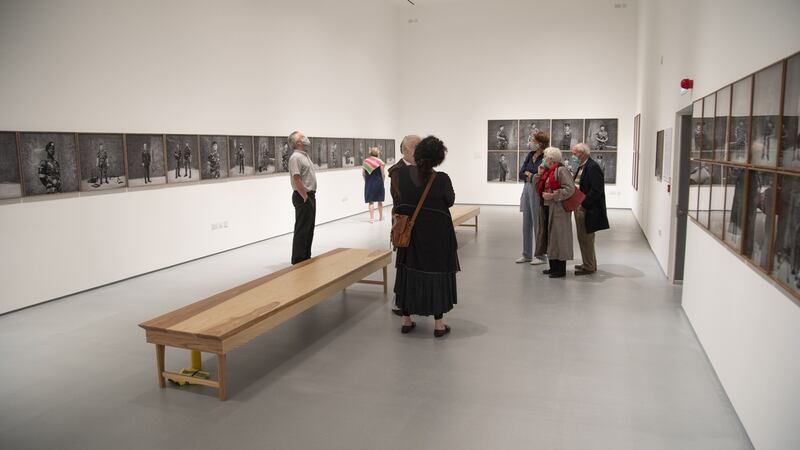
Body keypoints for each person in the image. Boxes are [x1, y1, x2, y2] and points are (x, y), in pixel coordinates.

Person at [394, 135, 459, 337]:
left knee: (408, 272)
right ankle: (438, 325)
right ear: (438, 158)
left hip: (410, 234)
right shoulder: (442, 178)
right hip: (436, 235)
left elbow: (400, 200)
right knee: (436, 274)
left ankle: (406, 320)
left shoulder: (403, 174)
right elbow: (450, 200)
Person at [388, 135, 421, 317]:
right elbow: (399, 197)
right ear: (406, 150)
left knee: (415, 261)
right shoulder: (397, 171)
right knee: (403, 262)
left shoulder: (420, 168)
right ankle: (399, 301)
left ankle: (413, 299)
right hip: (404, 223)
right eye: (417, 146)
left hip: (417, 222)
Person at [533, 147, 576, 278]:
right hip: (547, 208)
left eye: (545, 157)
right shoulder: (547, 171)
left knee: (559, 238)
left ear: (550, 159)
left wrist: (553, 195)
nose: (543, 159)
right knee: (550, 237)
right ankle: (553, 267)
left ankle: (560, 269)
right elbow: (537, 188)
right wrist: (539, 174)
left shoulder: (561, 170)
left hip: (558, 210)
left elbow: (570, 189)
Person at [571, 143, 610, 275]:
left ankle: (589, 266)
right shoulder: (582, 166)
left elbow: (597, 189)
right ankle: (589, 263)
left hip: (587, 208)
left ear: (582, 153)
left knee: (586, 238)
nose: (573, 156)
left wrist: (584, 203)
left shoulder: (593, 167)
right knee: (583, 237)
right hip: (580, 205)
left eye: (575, 153)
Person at [517, 132, 549, 265]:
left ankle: (541, 256)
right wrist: (532, 175)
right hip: (527, 189)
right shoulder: (530, 155)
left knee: (538, 224)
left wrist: (530, 174)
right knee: (526, 224)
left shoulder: (546, 156)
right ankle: (527, 254)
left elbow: (542, 176)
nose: (530, 142)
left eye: (533, 140)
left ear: (540, 143)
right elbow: (520, 173)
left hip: (537, 191)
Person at [287, 131, 317, 264]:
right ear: (298, 142)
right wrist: (304, 196)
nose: (305, 138)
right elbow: (296, 178)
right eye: (302, 136)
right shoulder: (295, 158)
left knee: (309, 228)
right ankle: (298, 260)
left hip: (310, 195)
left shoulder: (304, 155)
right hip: (302, 196)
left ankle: (306, 257)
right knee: (302, 229)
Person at [362, 147, 386, 222]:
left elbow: (363, 174)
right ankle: (381, 217)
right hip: (378, 182)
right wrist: (383, 181)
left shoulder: (366, 161)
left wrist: (366, 181)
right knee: (380, 201)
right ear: (377, 153)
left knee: (370, 201)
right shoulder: (380, 162)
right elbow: (383, 174)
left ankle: (371, 219)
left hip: (369, 183)